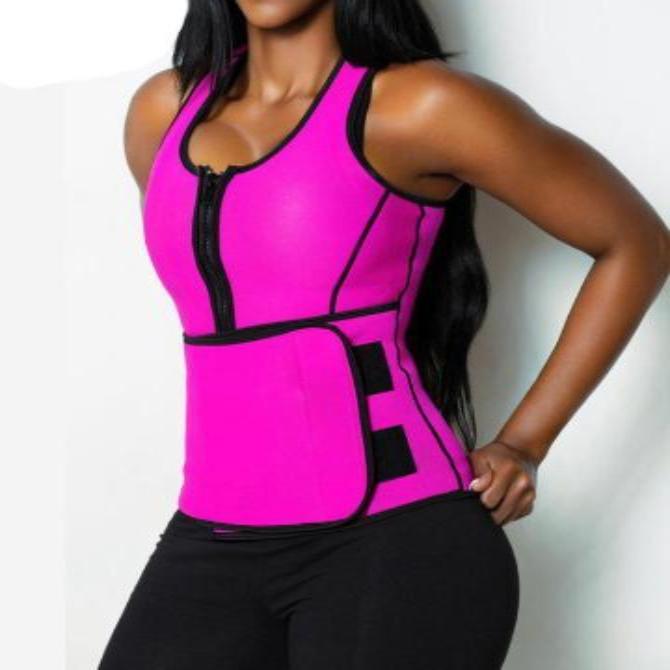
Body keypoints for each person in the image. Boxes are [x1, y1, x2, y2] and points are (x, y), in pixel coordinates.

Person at [98, 1, 669, 668]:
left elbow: (636, 242)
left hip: (397, 547)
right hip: (211, 537)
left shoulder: (421, 106)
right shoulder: (163, 113)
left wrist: (524, 442)